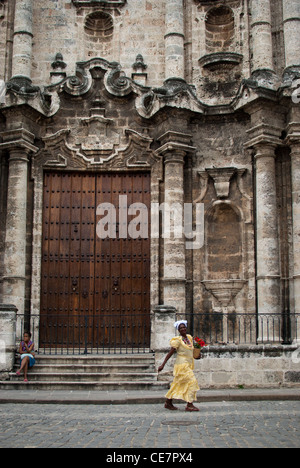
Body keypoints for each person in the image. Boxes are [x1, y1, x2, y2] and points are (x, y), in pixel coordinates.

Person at [158, 320, 200, 412]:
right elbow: (170, 353)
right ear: (178, 330)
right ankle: (190, 404)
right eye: (181, 328)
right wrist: (163, 364)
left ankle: (168, 402)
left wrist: (197, 355)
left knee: (177, 384)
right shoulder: (177, 341)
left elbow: (191, 351)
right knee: (192, 382)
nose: (183, 329)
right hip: (182, 365)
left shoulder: (189, 338)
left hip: (188, 364)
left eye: (184, 327)